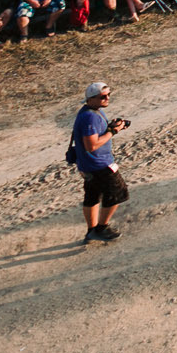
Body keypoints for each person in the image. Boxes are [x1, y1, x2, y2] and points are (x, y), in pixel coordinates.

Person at [71, 80, 130, 242]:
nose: (107, 98)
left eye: (109, 95)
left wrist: (111, 127)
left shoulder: (90, 112)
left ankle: (91, 231)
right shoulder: (90, 117)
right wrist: (113, 131)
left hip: (87, 165)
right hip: (99, 165)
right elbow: (91, 145)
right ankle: (101, 228)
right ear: (90, 99)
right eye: (102, 97)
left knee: (92, 196)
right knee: (117, 193)